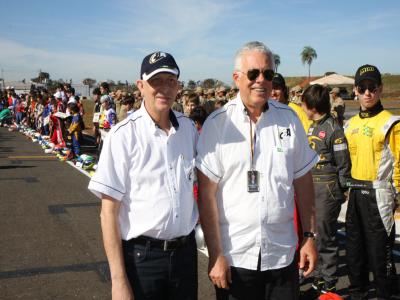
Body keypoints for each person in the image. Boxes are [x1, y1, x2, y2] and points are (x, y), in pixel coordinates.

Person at [196, 41, 319, 300]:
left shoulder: (289, 119)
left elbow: (303, 181)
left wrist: (309, 236)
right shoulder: (217, 125)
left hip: (282, 254)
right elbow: (206, 196)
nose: (260, 80)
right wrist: (215, 254)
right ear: (237, 78)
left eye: (268, 74)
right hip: (235, 256)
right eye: (253, 73)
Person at [88, 51, 199, 300]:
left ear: (178, 86)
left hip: (185, 256)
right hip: (143, 260)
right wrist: (118, 281)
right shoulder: (123, 136)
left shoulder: (189, 129)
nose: (164, 88)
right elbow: (108, 213)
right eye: (156, 81)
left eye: (170, 81)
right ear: (141, 86)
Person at [344, 65, 399, 300]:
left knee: (380, 253)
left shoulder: (392, 122)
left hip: (380, 194)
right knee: (354, 251)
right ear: (355, 90)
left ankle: (386, 294)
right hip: (355, 192)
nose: (367, 93)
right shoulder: (349, 124)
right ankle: (357, 292)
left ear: (380, 89)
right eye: (362, 87)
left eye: (372, 87)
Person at [301, 84, 351, 294]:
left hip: (327, 187)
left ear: (312, 105)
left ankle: (329, 283)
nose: (301, 107)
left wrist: (340, 191)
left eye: (303, 104)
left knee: (326, 237)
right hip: (312, 184)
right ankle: (319, 277)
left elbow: (343, 163)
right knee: (315, 234)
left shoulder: (333, 129)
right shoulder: (313, 125)